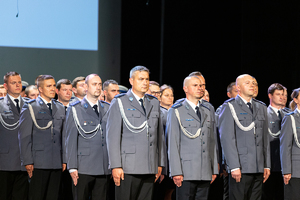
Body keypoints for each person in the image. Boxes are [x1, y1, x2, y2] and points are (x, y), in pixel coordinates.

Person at [106, 66, 166, 200]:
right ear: (131, 81)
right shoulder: (120, 102)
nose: (145, 82)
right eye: (140, 79)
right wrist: (116, 165)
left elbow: (159, 136)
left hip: (150, 165)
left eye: (147, 79)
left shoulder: (154, 102)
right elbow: (113, 137)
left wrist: (160, 163)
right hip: (128, 167)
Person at [218, 74, 270, 200]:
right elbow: (227, 139)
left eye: (253, 83)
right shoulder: (229, 106)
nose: (252, 85)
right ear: (238, 88)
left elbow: (265, 139)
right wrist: (234, 166)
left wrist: (266, 164)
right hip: (241, 166)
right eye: (247, 83)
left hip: (258, 165)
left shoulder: (261, 107)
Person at [167, 75, 218, 200]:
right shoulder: (176, 110)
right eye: (195, 85)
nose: (200, 88)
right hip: (186, 171)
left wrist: (214, 169)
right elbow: (173, 143)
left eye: (201, 85)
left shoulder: (207, 110)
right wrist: (176, 171)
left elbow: (212, 141)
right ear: (185, 88)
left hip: (205, 170)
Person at [18, 75, 66, 200]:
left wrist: (64, 159)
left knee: (53, 196)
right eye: (48, 86)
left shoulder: (60, 107)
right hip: (38, 162)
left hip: (56, 161)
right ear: (40, 89)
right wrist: (28, 161)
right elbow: (24, 137)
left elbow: (64, 136)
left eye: (54, 86)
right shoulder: (30, 107)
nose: (52, 89)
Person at [65, 74, 110, 199]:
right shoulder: (75, 109)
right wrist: (72, 167)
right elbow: (70, 140)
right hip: (83, 167)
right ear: (86, 87)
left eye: (100, 84)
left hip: (103, 166)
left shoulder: (107, 108)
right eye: (94, 84)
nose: (98, 87)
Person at [0, 72, 28, 200]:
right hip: (4, 162)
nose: (17, 85)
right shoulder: (1, 105)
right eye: (13, 82)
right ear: (5, 86)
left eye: (19, 82)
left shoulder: (30, 105)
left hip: (24, 162)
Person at [262, 83, 286, 200]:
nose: (281, 97)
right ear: (270, 96)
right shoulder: (264, 114)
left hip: (285, 163)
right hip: (270, 162)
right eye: (278, 94)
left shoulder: (287, 114)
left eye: (282, 94)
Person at [215, 81, 238, 200]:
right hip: (228, 162)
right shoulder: (223, 110)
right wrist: (223, 162)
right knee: (228, 192)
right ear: (229, 94)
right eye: (235, 91)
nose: (238, 94)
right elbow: (222, 138)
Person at [280, 88, 300, 200]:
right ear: (296, 100)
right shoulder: (290, 118)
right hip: (296, 170)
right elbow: (285, 147)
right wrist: (286, 171)